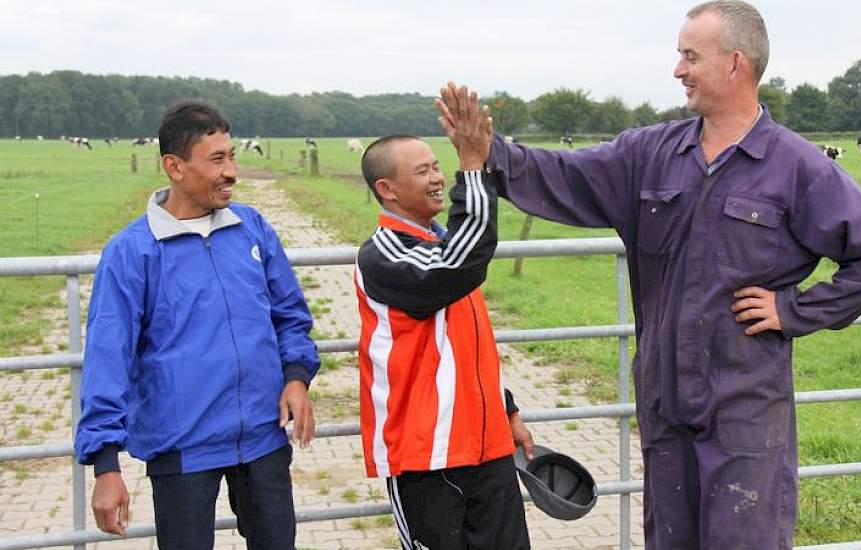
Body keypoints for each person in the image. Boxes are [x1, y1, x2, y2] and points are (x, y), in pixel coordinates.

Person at [437, 2, 861, 547]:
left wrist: (793, 310)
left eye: (691, 56)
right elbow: (565, 174)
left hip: (745, 407)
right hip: (664, 401)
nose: (678, 69)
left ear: (735, 64)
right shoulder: (650, 154)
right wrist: (489, 153)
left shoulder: (797, 166)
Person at [74, 100, 320, 550]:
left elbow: (290, 314)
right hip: (182, 450)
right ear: (174, 166)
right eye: (217, 159)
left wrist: (296, 378)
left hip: (263, 439)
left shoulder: (253, 229)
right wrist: (106, 465)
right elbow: (107, 358)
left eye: (232, 156)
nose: (232, 171)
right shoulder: (132, 252)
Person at [354, 91, 534, 550]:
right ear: (387, 190)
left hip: (488, 444)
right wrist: (471, 166)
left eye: (438, 166)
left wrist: (506, 409)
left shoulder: (445, 243)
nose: (437, 177)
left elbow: (467, 347)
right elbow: (459, 265)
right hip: (427, 454)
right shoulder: (384, 253)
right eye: (424, 171)